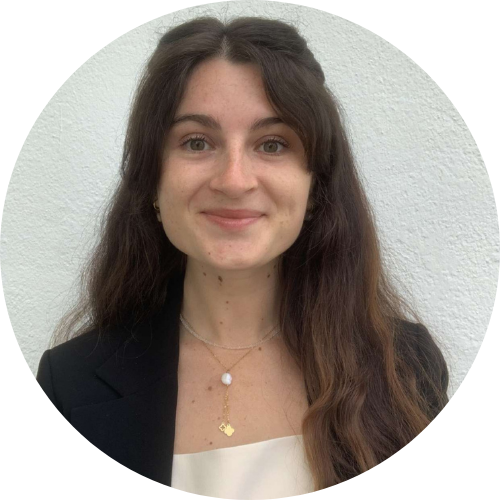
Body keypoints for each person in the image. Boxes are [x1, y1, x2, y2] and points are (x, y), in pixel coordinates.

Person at [36, 16, 449, 499]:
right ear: (151, 180)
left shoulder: (406, 368)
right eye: (196, 142)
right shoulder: (69, 385)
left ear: (315, 186)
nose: (234, 181)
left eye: (272, 144)